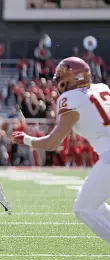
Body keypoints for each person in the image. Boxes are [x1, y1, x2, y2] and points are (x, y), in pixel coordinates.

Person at [12, 57, 110, 243]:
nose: (58, 81)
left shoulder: (69, 98)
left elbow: (52, 143)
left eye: (62, 76)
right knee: (93, 205)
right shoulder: (102, 88)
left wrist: (26, 139)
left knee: (83, 208)